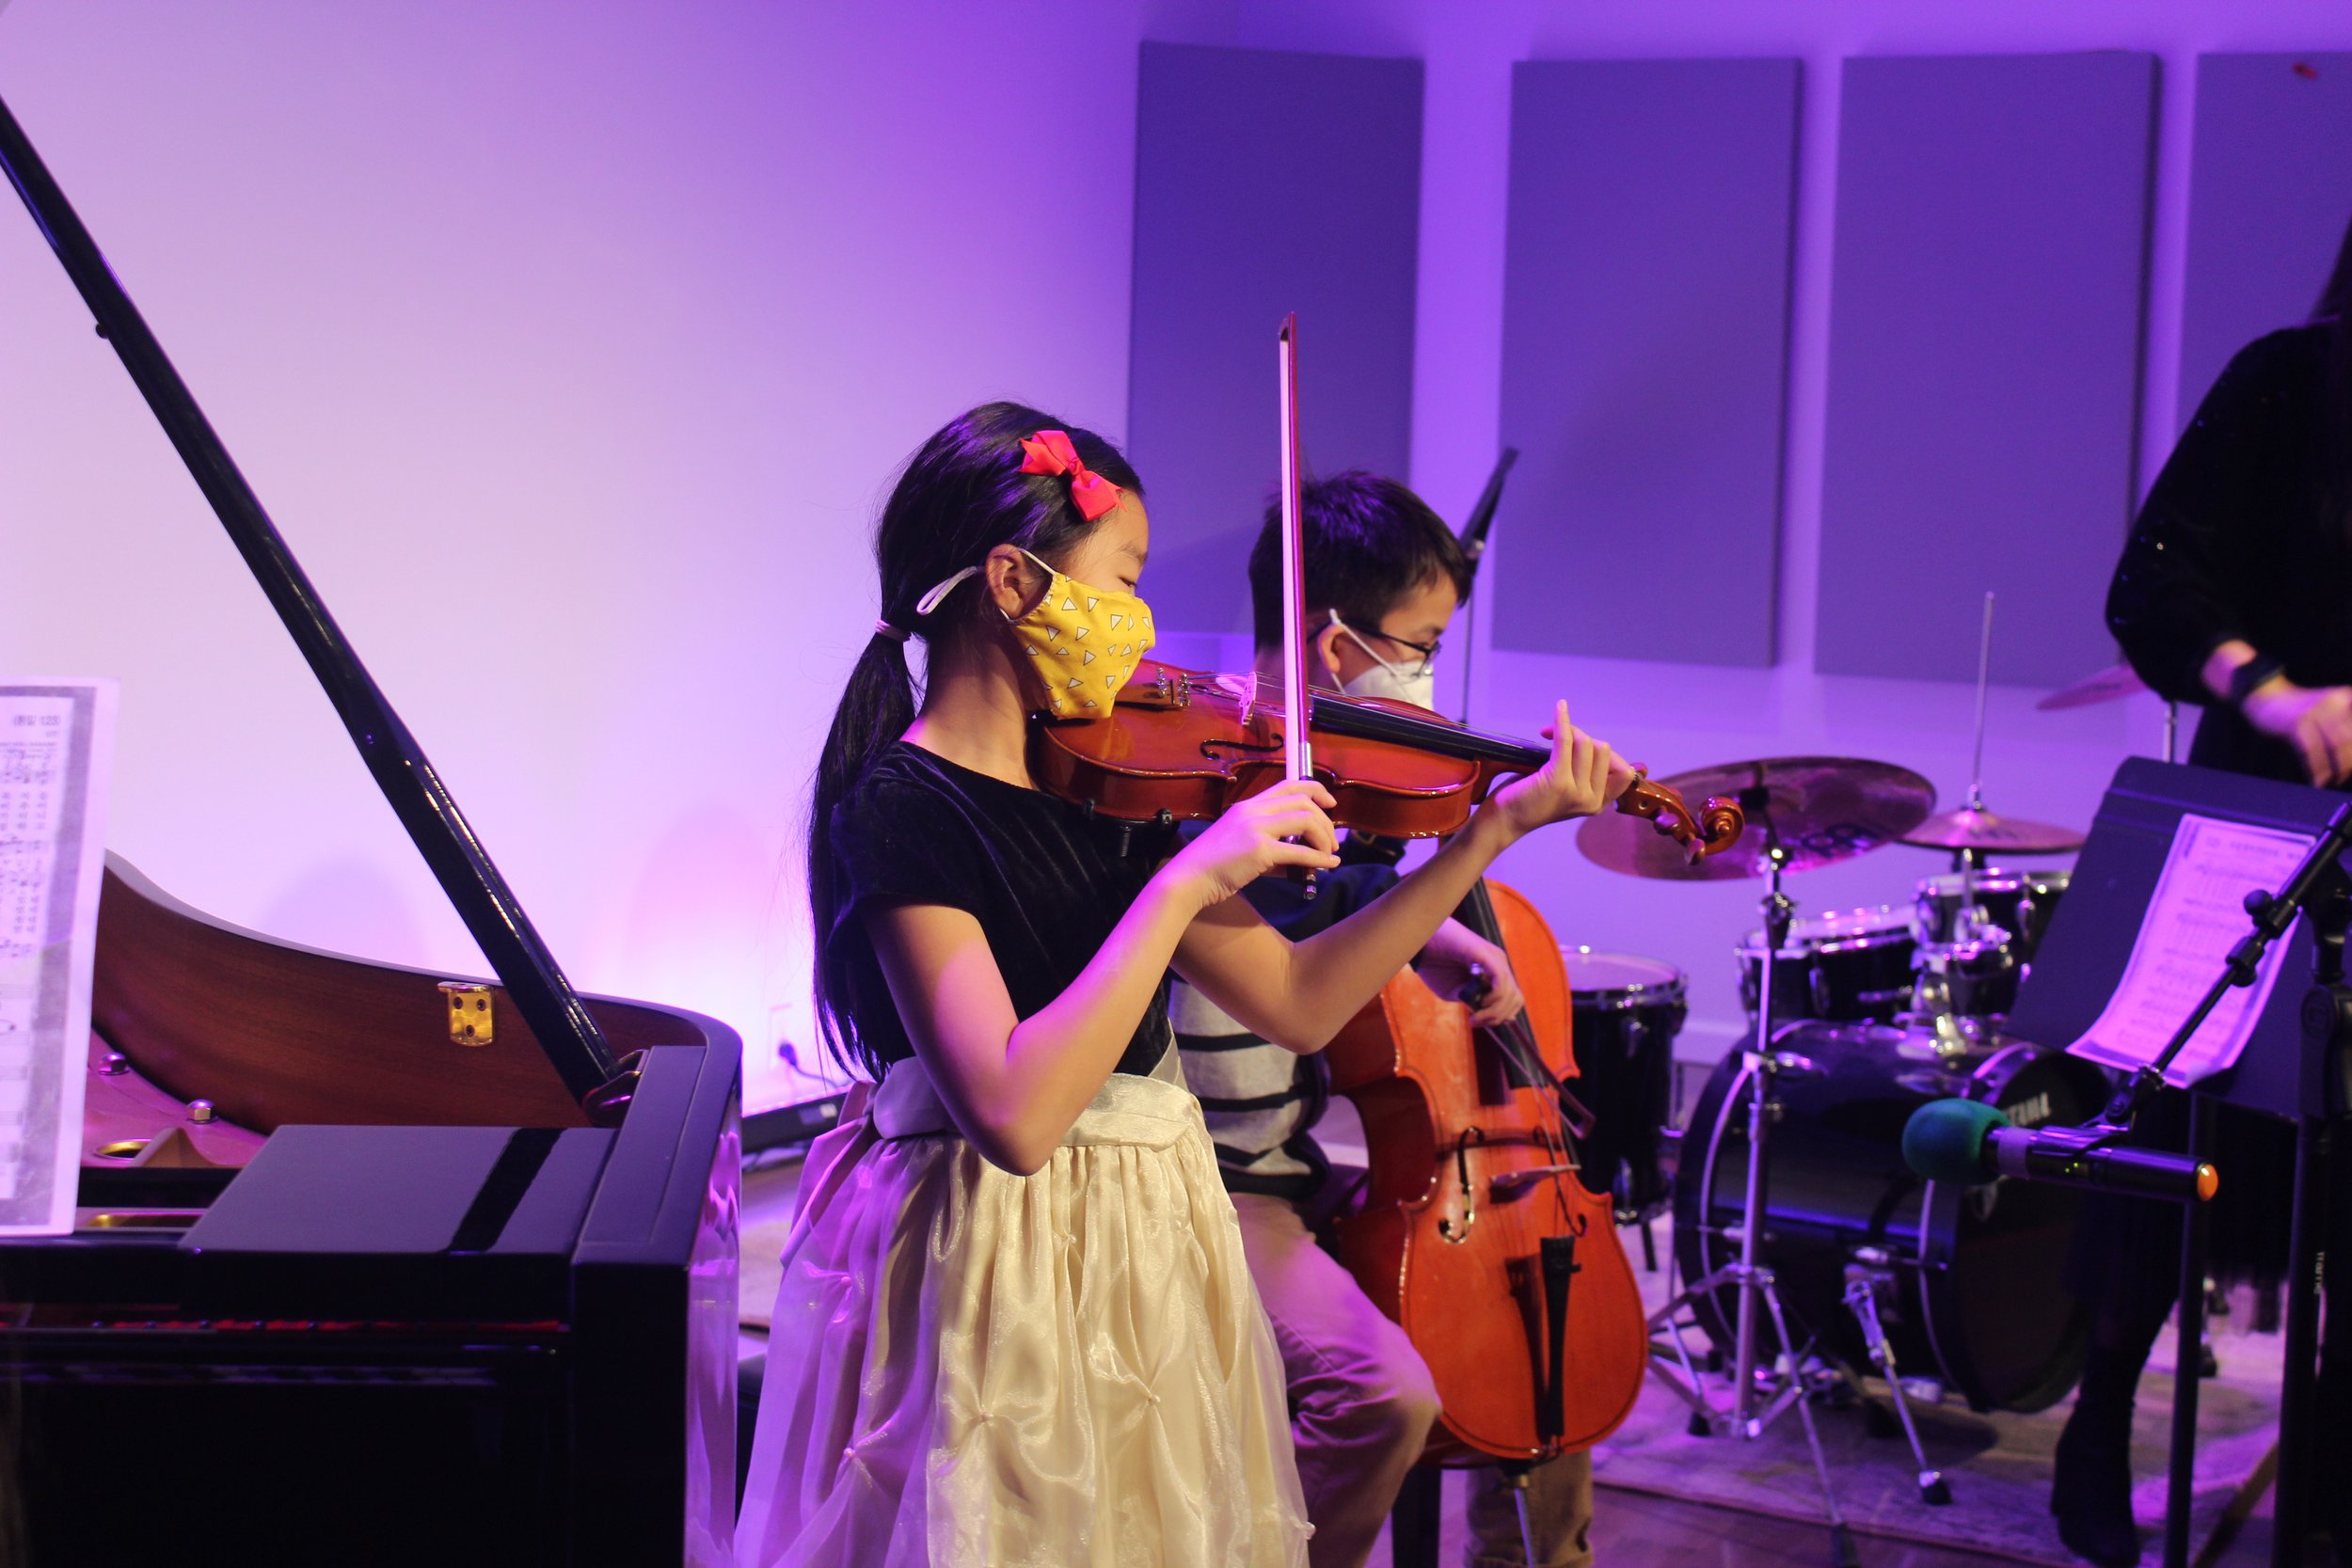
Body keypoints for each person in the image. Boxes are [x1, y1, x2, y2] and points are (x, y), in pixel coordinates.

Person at [737, 404, 1629, 1568]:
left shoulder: (1102, 789)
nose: (1140, 621)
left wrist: (1484, 835)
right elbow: (1014, 1112)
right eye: (1123, 579)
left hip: (1143, 1235)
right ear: (1012, 582)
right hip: (992, 1256)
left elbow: (1301, 998)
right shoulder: (904, 809)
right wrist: (1184, 881)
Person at [1171, 471, 1597, 1568]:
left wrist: (1425, 922)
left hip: (1295, 1167)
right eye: (1421, 645)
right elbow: (1289, 973)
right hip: (1207, 1183)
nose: (1427, 677)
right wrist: (1476, 843)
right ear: (1333, 645)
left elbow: (1339, 898)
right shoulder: (1205, 796)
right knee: (1382, 1391)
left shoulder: (1335, 789)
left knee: (1537, 1310)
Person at [2085, 215, 2352, 1568]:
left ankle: (2330, 1481)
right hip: (2261, 816)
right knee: (2180, 1134)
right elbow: (2153, 586)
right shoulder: (2288, 381)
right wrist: (2276, 690)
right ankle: (2096, 1426)